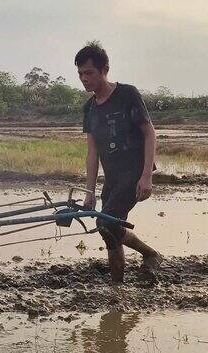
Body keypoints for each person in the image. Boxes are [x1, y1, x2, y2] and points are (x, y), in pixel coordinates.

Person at [76, 41, 162, 283]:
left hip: (133, 173)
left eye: (89, 73)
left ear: (105, 69)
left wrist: (147, 176)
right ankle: (117, 286)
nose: (84, 78)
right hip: (112, 177)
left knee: (106, 223)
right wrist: (89, 191)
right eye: (80, 74)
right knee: (108, 231)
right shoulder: (89, 109)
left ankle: (148, 253)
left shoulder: (127, 95)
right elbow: (92, 152)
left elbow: (149, 133)